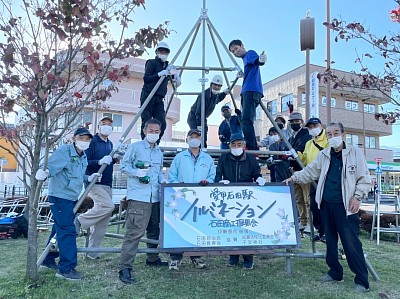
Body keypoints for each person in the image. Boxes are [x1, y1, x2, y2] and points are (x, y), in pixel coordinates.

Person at [284, 122, 371, 293]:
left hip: (346, 206)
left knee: (351, 243)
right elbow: (310, 171)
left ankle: (362, 280)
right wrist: (294, 178)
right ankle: (335, 272)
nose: (333, 137)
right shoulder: (324, 154)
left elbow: (364, 179)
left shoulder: (355, 152)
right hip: (326, 204)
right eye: (329, 134)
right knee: (330, 241)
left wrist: (357, 196)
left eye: (336, 133)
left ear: (343, 134)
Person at [36, 128, 100, 281]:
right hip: (59, 196)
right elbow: (51, 166)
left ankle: (48, 258)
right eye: (81, 138)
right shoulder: (64, 151)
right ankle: (66, 268)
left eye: (87, 139)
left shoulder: (83, 156)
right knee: (67, 230)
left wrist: (88, 178)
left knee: (59, 229)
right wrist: (43, 172)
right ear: (74, 138)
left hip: (71, 196)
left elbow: (76, 174)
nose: (84, 141)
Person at [118, 118, 167, 284]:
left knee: (154, 229)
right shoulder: (135, 147)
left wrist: (163, 181)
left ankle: (152, 258)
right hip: (139, 197)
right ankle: (125, 268)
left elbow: (159, 171)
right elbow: (123, 166)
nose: (154, 134)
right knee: (134, 232)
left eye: (157, 131)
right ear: (144, 131)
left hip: (156, 197)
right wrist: (135, 173)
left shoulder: (159, 152)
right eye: (151, 131)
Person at [215, 133, 266, 270]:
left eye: (239, 145)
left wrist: (260, 178)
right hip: (229, 198)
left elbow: (257, 174)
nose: (236, 147)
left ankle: (248, 258)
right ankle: (233, 256)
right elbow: (218, 173)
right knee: (231, 227)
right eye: (233, 145)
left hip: (246, 199)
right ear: (229, 145)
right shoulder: (224, 157)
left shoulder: (250, 158)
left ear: (243, 145)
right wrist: (220, 181)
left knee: (246, 228)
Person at [167, 128, 216, 270]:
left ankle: (196, 257)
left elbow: (212, 176)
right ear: (187, 139)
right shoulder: (180, 157)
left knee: (196, 226)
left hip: (200, 199)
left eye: (197, 137)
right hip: (181, 197)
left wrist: (208, 181)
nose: (194, 139)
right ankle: (175, 258)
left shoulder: (207, 158)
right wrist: (179, 186)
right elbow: (172, 175)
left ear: (201, 140)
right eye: (191, 136)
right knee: (178, 226)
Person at [75, 116, 118, 259]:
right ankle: (80, 221)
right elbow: (85, 161)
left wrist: (115, 158)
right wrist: (99, 161)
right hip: (94, 182)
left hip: (107, 183)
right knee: (108, 206)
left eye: (110, 124)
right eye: (104, 124)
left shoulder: (110, 144)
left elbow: (108, 162)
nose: (107, 127)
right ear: (99, 126)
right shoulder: (93, 141)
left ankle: (93, 251)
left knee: (103, 221)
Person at [229, 39, 266, 150]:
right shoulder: (245, 60)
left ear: (242, 45)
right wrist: (244, 74)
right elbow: (252, 67)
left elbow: (256, 61)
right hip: (247, 91)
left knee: (246, 120)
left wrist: (260, 61)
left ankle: (251, 146)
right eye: (233, 52)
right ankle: (252, 144)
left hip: (250, 91)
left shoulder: (249, 53)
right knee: (245, 120)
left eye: (236, 48)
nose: (235, 52)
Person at [140, 42, 181, 143]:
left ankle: (155, 143)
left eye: (165, 52)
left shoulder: (168, 66)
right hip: (148, 95)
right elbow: (146, 78)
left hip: (159, 98)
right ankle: (144, 143)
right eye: (161, 51)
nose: (163, 53)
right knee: (147, 121)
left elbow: (176, 82)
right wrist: (159, 74)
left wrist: (176, 75)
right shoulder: (151, 63)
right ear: (157, 52)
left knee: (162, 122)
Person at [299, 117, 329, 242]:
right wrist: (297, 155)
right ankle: (321, 231)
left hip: (326, 177)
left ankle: (328, 232)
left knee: (326, 206)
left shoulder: (327, 139)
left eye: (314, 126)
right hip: (313, 178)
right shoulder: (309, 143)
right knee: (314, 207)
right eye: (310, 127)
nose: (312, 129)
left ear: (321, 125)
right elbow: (305, 159)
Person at [287, 112, 312, 232]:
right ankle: (303, 221)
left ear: (301, 122)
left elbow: (300, 149)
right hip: (294, 169)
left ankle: (309, 222)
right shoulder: (292, 136)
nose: (294, 124)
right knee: (298, 198)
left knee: (307, 198)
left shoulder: (306, 134)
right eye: (291, 122)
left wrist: (290, 153)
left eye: (296, 121)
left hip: (303, 169)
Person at [187, 75, 228, 147]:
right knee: (197, 136)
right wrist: (199, 126)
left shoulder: (215, 95)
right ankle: (196, 152)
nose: (217, 87)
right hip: (194, 118)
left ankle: (202, 151)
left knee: (203, 136)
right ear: (211, 84)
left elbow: (218, 99)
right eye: (215, 85)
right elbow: (198, 112)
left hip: (203, 117)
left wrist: (224, 93)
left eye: (219, 86)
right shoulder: (204, 95)